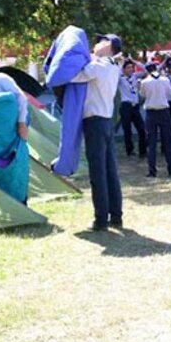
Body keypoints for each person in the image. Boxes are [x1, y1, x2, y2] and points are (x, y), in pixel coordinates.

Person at [72, 33, 124, 231]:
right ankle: (116, 215)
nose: (95, 44)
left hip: (94, 122)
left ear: (109, 45)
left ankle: (101, 219)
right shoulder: (112, 66)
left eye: (100, 41)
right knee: (111, 171)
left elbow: (75, 75)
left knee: (98, 173)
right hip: (106, 122)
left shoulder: (99, 66)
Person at [139, 62, 171, 178]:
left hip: (151, 112)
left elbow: (143, 95)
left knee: (151, 142)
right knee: (168, 141)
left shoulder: (145, 82)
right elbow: (170, 93)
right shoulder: (165, 80)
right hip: (164, 111)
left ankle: (152, 170)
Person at [117, 60, 146, 157]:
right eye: (128, 67)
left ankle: (143, 151)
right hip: (126, 105)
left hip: (135, 106)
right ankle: (130, 151)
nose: (131, 69)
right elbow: (116, 74)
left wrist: (135, 61)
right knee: (127, 130)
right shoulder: (120, 79)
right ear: (124, 69)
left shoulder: (135, 76)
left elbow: (145, 70)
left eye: (131, 67)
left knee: (142, 129)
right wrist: (120, 64)